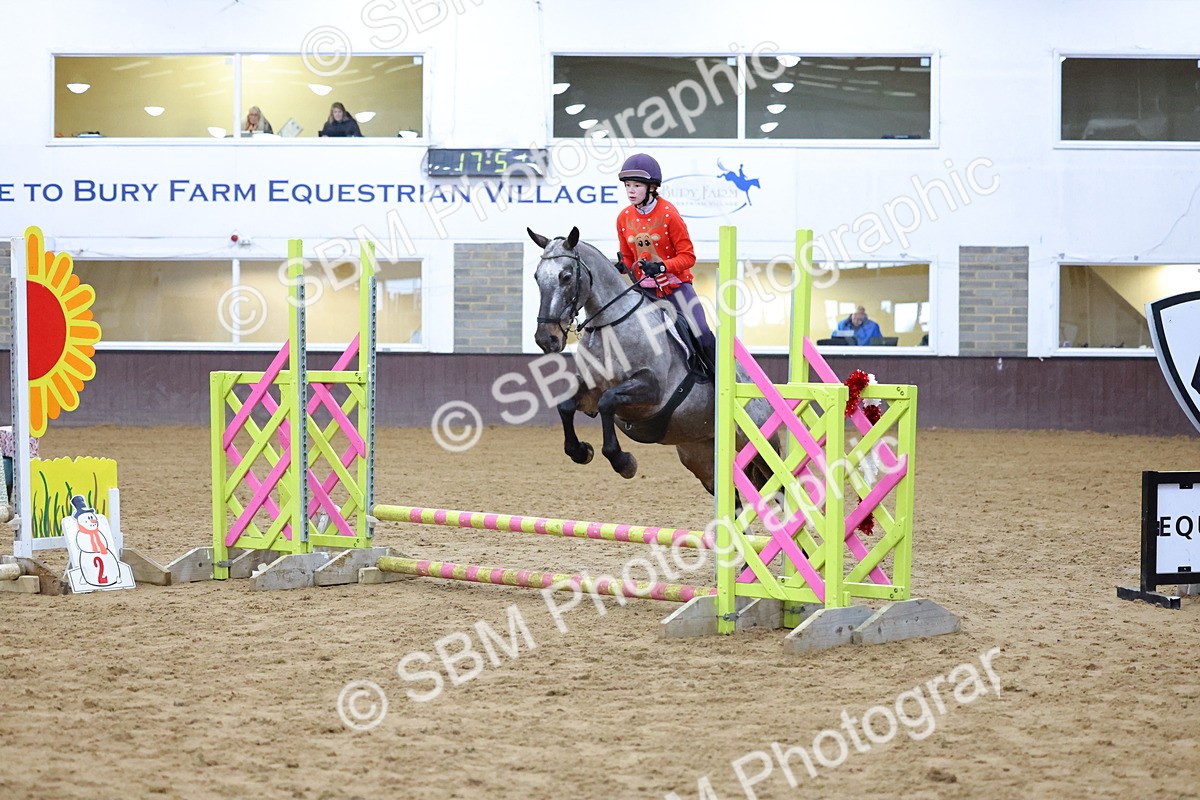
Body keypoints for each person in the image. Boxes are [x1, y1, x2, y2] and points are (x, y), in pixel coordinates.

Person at [615, 153, 715, 371]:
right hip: (645, 292)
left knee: (702, 333)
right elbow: (629, 258)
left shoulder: (669, 214)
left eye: (637, 186)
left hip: (677, 288)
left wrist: (662, 266)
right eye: (627, 185)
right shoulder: (623, 217)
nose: (630, 191)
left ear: (651, 187)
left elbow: (688, 257)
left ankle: (717, 382)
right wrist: (623, 266)